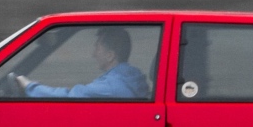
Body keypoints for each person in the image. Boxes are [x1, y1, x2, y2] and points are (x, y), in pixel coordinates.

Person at [15, 27, 151, 99]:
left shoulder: (112, 86)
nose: (93, 54)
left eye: (97, 47)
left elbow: (70, 97)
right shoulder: (132, 79)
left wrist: (29, 86)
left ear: (110, 56)